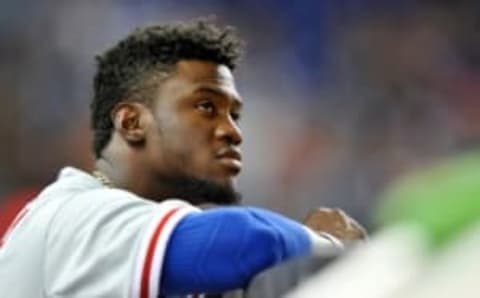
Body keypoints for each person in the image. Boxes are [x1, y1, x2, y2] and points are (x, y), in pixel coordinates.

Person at [0, 19, 365, 298]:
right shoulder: (76, 215)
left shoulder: (138, 245)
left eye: (233, 115)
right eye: (206, 107)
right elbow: (247, 240)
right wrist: (326, 242)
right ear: (132, 122)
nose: (232, 131)